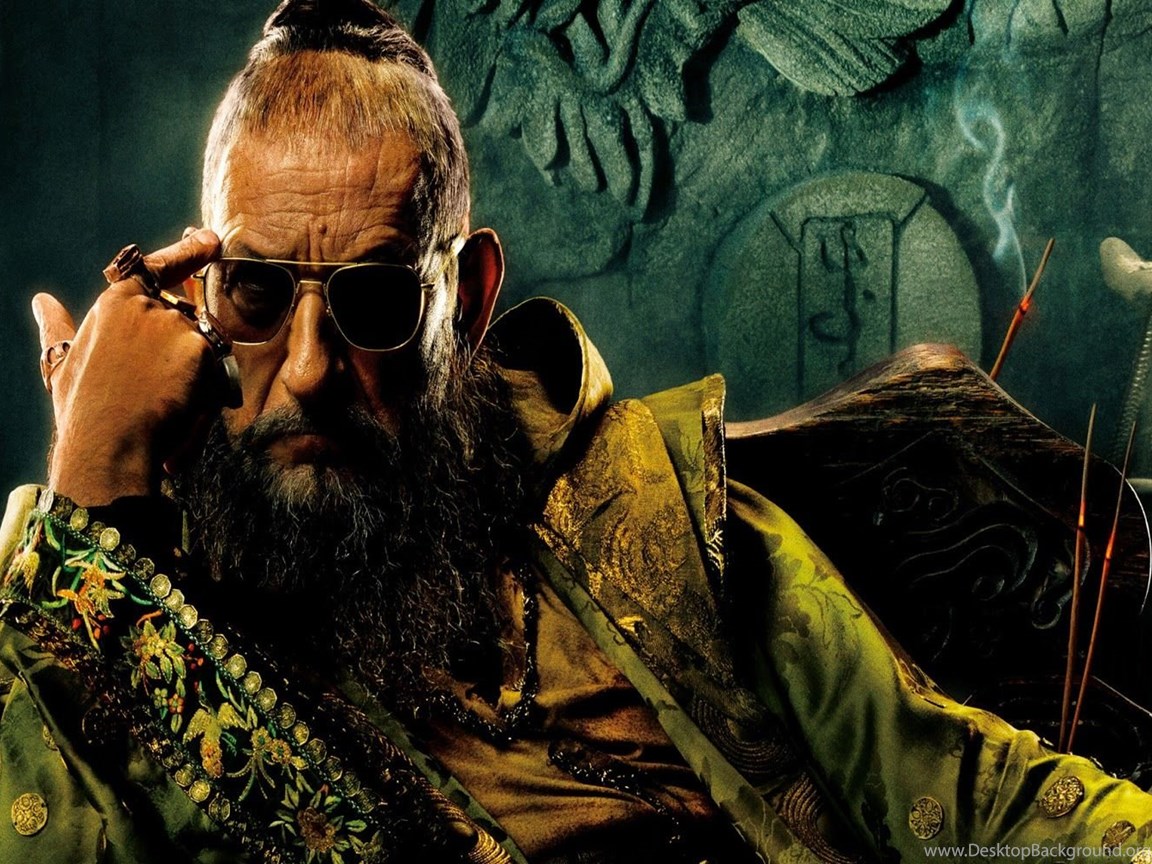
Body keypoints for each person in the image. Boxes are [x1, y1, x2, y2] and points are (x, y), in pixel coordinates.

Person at [1, 1, 1150, 862]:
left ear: (468, 297)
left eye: (375, 302)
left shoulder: (663, 518)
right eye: (255, 290)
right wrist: (88, 507)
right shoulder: (116, 590)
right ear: (197, 292)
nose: (307, 367)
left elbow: (976, 808)